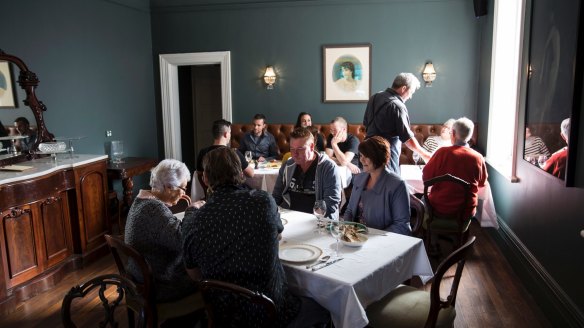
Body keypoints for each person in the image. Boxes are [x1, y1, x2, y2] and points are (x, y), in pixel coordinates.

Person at [181, 147, 329, 327]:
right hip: (271, 312)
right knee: (325, 308)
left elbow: (195, 275)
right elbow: (277, 235)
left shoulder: (193, 220)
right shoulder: (263, 202)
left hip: (223, 315)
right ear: (241, 174)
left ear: (205, 179)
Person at [124, 159, 203, 302]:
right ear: (168, 187)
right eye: (183, 188)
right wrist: (191, 211)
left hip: (141, 277)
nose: (184, 193)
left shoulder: (141, 199)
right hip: (159, 285)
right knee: (207, 275)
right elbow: (182, 241)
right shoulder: (153, 209)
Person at [363, 73, 431, 174]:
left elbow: (365, 123)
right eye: (411, 92)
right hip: (386, 158)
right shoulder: (398, 106)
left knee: (370, 186)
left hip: (367, 154)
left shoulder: (374, 98)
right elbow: (407, 139)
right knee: (389, 187)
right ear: (403, 88)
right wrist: (425, 154)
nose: (411, 96)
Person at [343, 136, 411, 235]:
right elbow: (349, 211)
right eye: (361, 155)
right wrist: (348, 231)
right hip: (356, 238)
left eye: (366, 156)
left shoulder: (398, 185)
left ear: (378, 156)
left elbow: (401, 226)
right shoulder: (359, 178)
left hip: (382, 243)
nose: (361, 160)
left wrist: (371, 237)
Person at [422, 117, 488, 219]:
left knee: (422, 201)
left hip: (439, 207)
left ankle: (427, 231)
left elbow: (426, 177)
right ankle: (461, 233)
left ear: (452, 133)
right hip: (465, 210)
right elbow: (482, 183)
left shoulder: (441, 152)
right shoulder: (478, 157)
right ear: (469, 137)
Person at [272, 127, 342, 219]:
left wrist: (309, 219)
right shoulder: (287, 165)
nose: (295, 154)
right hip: (290, 218)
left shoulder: (328, 168)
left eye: (300, 149)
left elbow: (331, 203)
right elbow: (276, 196)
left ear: (312, 147)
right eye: (292, 149)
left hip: (319, 221)